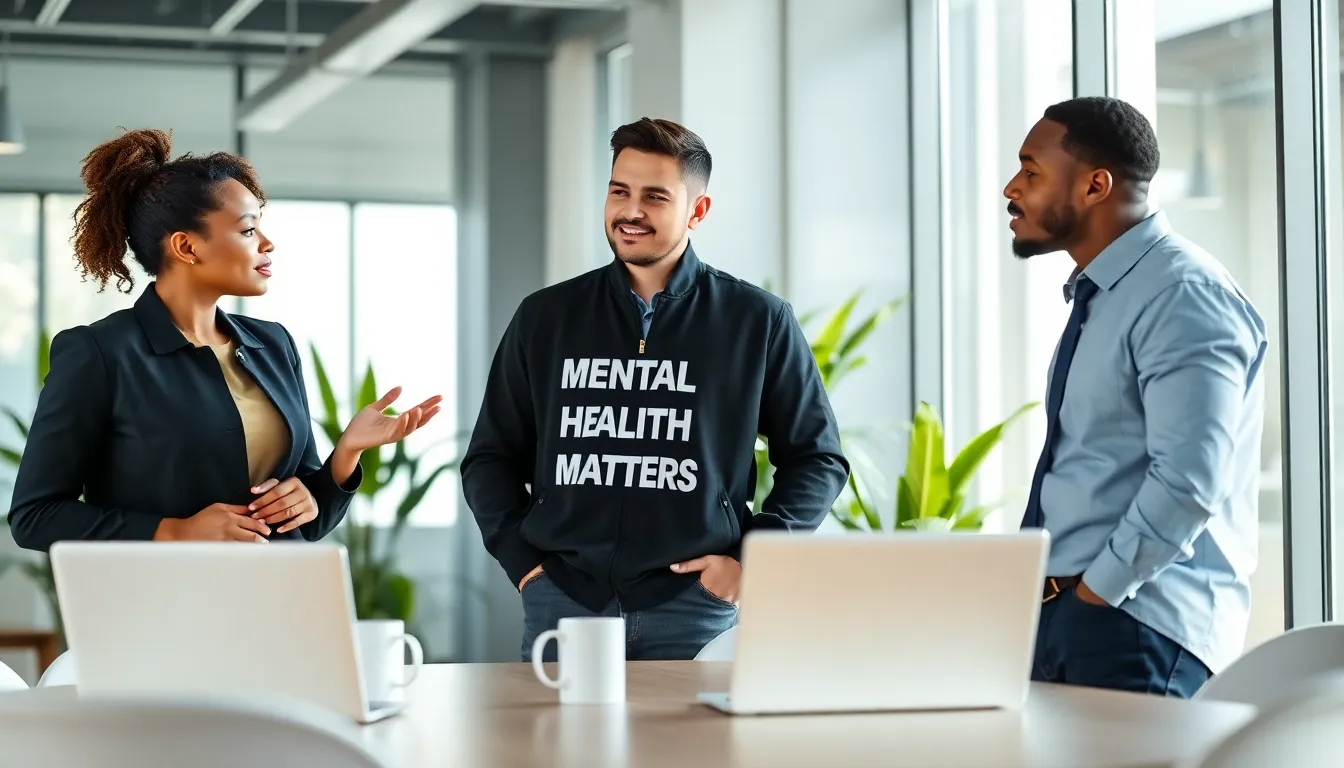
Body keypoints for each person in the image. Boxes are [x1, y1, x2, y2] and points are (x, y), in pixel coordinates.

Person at [461, 117, 850, 661]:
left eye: (654, 197)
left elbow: (818, 458)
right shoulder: (546, 317)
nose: (631, 211)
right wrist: (527, 567)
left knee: (699, 751)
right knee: (555, 750)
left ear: (697, 210)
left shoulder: (755, 321)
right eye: (619, 191)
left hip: (695, 608)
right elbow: (490, 459)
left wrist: (752, 559)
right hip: (566, 603)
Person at [8, 129, 441, 550]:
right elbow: (35, 517)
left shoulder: (273, 345)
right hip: (157, 608)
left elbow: (307, 520)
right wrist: (175, 531)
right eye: (249, 230)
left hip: (273, 599)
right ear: (186, 247)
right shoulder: (100, 353)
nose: (268, 243)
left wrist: (345, 454)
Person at [1006, 97, 1266, 697]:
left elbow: (1189, 480)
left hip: (1133, 625)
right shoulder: (1108, 293)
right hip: (1070, 619)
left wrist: (1096, 597)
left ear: (1097, 184)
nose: (1011, 187)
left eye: (1031, 171)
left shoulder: (1183, 293)